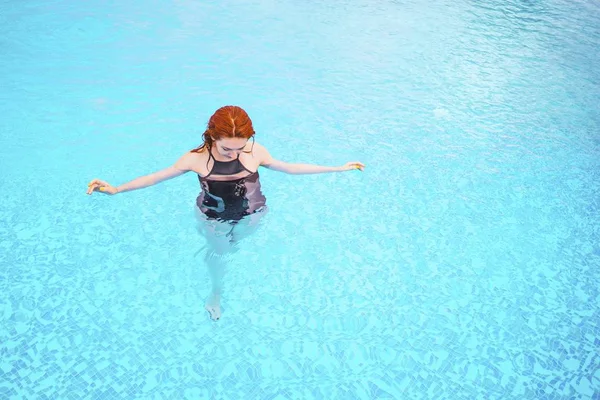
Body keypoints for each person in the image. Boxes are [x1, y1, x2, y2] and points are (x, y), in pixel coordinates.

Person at [87, 105, 365, 321]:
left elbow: (289, 167)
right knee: (219, 253)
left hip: (254, 213)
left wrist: (337, 168)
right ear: (212, 137)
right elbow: (156, 177)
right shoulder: (196, 158)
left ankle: (221, 248)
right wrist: (117, 189)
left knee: (234, 246)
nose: (234, 153)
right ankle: (216, 293)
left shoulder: (255, 151)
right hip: (213, 218)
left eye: (240, 146)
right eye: (226, 148)